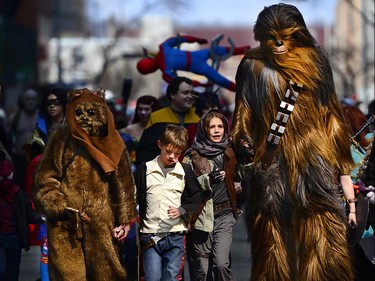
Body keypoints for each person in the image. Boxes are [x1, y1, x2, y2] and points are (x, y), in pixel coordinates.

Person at [231, 4, 356, 280]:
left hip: (312, 156)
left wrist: (342, 162)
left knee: (320, 223)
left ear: (298, 35)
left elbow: (330, 112)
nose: (277, 44)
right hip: (269, 159)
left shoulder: (316, 61)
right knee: (271, 229)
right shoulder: (252, 66)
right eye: (270, 36)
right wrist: (242, 138)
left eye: (284, 37)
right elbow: (243, 110)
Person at [32, 88, 136, 280]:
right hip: (66, 222)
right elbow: (45, 178)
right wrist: (59, 205)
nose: (85, 118)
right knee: (69, 275)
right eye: (78, 112)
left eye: (90, 112)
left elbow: (123, 185)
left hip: (102, 224)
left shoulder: (113, 141)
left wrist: (124, 221)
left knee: (104, 275)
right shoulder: (61, 139)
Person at [134, 124, 202, 281]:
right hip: (151, 236)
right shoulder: (145, 169)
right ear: (160, 145)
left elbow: (196, 195)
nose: (172, 156)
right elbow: (134, 197)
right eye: (168, 151)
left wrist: (182, 210)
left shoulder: (184, 170)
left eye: (177, 153)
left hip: (176, 235)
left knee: (171, 277)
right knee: (152, 278)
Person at [183, 109, 240, 281]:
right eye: (212, 127)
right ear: (204, 129)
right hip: (201, 217)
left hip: (225, 214)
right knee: (201, 269)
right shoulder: (191, 156)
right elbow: (186, 188)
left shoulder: (231, 151)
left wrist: (248, 159)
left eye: (220, 126)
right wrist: (208, 180)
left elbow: (244, 175)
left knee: (221, 264)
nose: (217, 130)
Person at [24, 87, 68, 281]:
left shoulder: (73, 128)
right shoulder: (39, 128)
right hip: (43, 189)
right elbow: (32, 162)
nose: (52, 106)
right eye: (48, 102)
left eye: (56, 102)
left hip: (68, 189)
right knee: (46, 244)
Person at [137, 35, 251, 92]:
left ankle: (239, 89)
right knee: (216, 51)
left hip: (198, 65)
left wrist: (200, 85)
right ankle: (241, 50)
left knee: (219, 79)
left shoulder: (165, 70)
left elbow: (181, 82)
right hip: (198, 57)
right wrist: (197, 39)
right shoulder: (163, 47)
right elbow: (181, 39)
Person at [136, 76, 200, 164]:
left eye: (192, 93)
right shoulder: (157, 117)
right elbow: (145, 152)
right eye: (185, 93)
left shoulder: (198, 117)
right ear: (173, 95)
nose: (190, 96)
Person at [0, 154, 44, 281]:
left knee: (13, 274)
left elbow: (29, 214)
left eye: (8, 177)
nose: (5, 182)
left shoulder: (19, 195)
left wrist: (42, 218)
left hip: (15, 240)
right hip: (1, 240)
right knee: (2, 272)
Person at [8, 88, 40, 189]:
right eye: (28, 99)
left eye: (33, 99)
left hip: (38, 160)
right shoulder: (15, 117)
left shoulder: (43, 117)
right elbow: (7, 136)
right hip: (20, 159)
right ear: (23, 100)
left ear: (37, 101)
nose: (31, 102)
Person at [119, 95, 161, 163]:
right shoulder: (128, 130)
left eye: (147, 109)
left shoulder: (159, 130)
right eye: (140, 109)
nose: (143, 112)